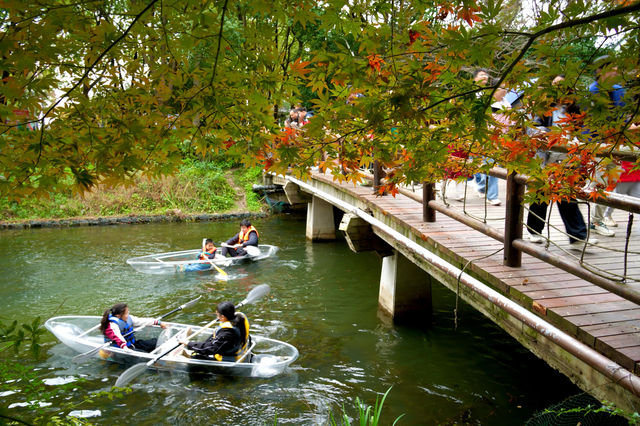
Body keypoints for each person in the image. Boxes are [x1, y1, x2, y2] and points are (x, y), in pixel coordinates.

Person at [525, 75, 598, 249]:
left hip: (567, 158)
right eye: (556, 85)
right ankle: (534, 231)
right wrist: (551, 135)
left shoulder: (575, 108)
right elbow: (532, 129)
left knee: (567, 196)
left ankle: (578, 237)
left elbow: (583, 131)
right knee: (541, 196)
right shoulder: (542, 107)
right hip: (544, 157)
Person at [179, 301, 250, 361]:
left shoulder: (227, 333)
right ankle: (194, 349)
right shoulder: (239, 318)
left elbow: (212, 348)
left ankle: (190, 356)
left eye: (217, 315)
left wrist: (188, 343)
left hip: (229, 358)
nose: (217, 318)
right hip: (236, 347)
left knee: (198, 356)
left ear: (223, 316)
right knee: (212, 337)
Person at [472, 68, 501, 206]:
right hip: (476, 132)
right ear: (474, 78)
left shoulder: (491, 93)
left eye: (486, 75)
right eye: (481, 75)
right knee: (482, 162)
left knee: (490, 162)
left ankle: (489, 192)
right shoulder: (471, 94)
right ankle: (483, 187)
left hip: (493, 134)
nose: (485, 77)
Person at [100, 303, 168, 353]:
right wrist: (125, 347)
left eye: (128, 312)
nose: (128, 314)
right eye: (126, 313)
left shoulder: (128, 318)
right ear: (118, 316)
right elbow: (118, 337)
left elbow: (142, 321)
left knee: (156, 342)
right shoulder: (112, 325)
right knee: (144, 354)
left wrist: (158, 323)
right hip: (121, 350)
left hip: (133, 344)